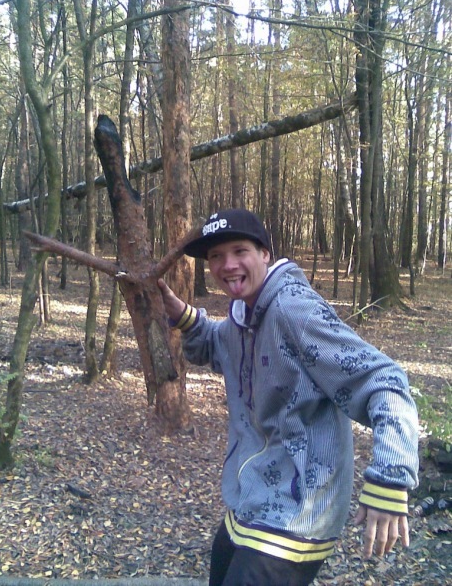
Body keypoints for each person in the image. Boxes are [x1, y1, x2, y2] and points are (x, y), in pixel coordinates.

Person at [158, 208, 419, 586]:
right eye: (216, 256)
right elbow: (217, 345)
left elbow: (384, 381)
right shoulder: (243, 313)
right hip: (252, 499)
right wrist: (184, 316)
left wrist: (390, 479)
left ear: (265, 253)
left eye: (239, 251)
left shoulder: (294, 309)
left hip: (297, 513)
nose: (227, 265)